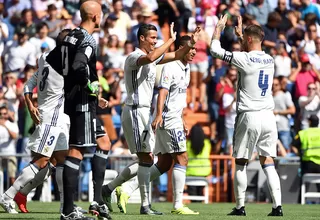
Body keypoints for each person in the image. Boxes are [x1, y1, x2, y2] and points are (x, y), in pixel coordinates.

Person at [101, 24, 200, 215]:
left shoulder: (153, 59)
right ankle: (144, 205)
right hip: (135, 110)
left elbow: (177, 55)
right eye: (153, 38)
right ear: (142, 39)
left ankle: (110, 189)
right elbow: (151, 57)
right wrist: (170, 41)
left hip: (144, 112)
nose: (155, 41)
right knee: (146, 157)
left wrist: (191, 43)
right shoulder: (133, 57)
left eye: (157, 38)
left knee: (147, 158)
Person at [210, 15, 283, 216]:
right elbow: (251, 52)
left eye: (244, 39)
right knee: (268, 161)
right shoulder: (270, 59)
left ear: (249, 40)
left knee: (241, 160)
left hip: (249, 115)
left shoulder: (243, 58)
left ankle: (240, 207)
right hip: (269, 116)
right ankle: (277, 207)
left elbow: (215, 50)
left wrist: (218, 28)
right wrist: (242, 34)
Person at [45, 2, 110, 220]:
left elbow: (52, 60)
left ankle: (98, 200)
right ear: (95, 17)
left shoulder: (70, 36)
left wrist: (70, 84)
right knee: (77, 151)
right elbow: (79, 65)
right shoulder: (88, 40)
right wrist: (88, 85)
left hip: (76, 99)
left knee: (103, 142)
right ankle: (68, 210)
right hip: (82, 102)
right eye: (101, 15)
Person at [0, 29, 71, 214]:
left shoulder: (45, 57)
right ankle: (7, 196)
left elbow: (30, 82)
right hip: (51, 117)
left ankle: (64, 205)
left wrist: (30, 104)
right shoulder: (65, 64)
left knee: (59, 159)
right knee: (42, 160)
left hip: (58, 117)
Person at [291, 114, 320, 193]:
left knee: (303, 186)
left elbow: (293, 145)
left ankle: (301, 202)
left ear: (309, 122)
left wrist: (299, 154)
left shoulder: (303, 133)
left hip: (308, 163)